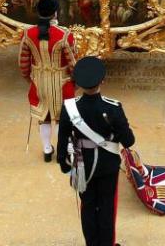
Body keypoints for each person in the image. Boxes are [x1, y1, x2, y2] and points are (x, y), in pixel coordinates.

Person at [57, 56, 136, 246]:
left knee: (88, 207)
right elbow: (129, 141)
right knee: (107, 208)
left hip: (83, 165)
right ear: (103, 80)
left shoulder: (69, 108)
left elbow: (62, 140)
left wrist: (64, 164)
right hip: (107, 165)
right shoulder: (113, 107)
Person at [19, 0, 76, 162]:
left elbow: (23, 63)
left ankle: (46, 149)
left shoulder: (28, 33)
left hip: (39, 81)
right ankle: (64, 150)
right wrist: (75, 81)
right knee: (61, 119)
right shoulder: (65, 35)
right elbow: (73, 63)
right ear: (55, 13)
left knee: (44, 117)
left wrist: (30, 79)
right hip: (62, 82)